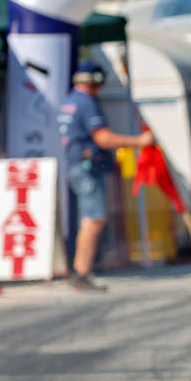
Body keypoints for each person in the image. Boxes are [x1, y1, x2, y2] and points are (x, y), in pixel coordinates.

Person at [58, 61, 153, 292]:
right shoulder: (87, 103)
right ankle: (82, 273)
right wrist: (138, 141)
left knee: (89, 219)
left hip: (76, 165)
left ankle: (80, 272)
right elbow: (103, 138)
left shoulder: (70, 101)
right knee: (93, 219)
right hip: (87, 168)